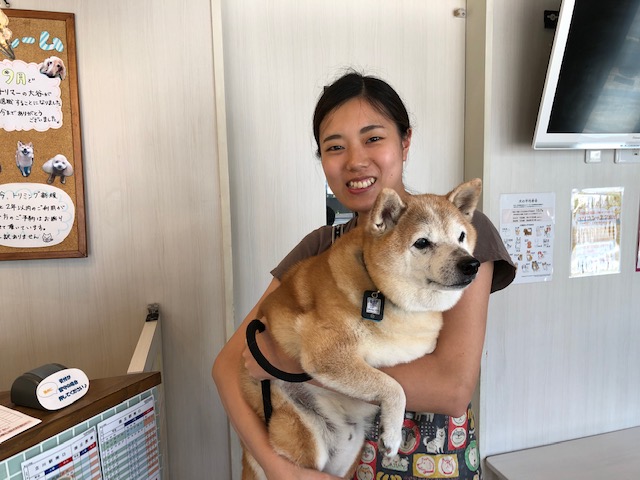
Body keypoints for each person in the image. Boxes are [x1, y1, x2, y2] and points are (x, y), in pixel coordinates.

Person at [213, 71, 516, 480]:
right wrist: (278, 469)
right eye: (335, 147)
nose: (355, 160)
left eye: (373, 138)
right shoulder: (320, 248)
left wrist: (301, 364)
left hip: (429, 466)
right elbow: (230, 365)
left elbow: (451, 388)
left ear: (405, 142)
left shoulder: (461, 237)